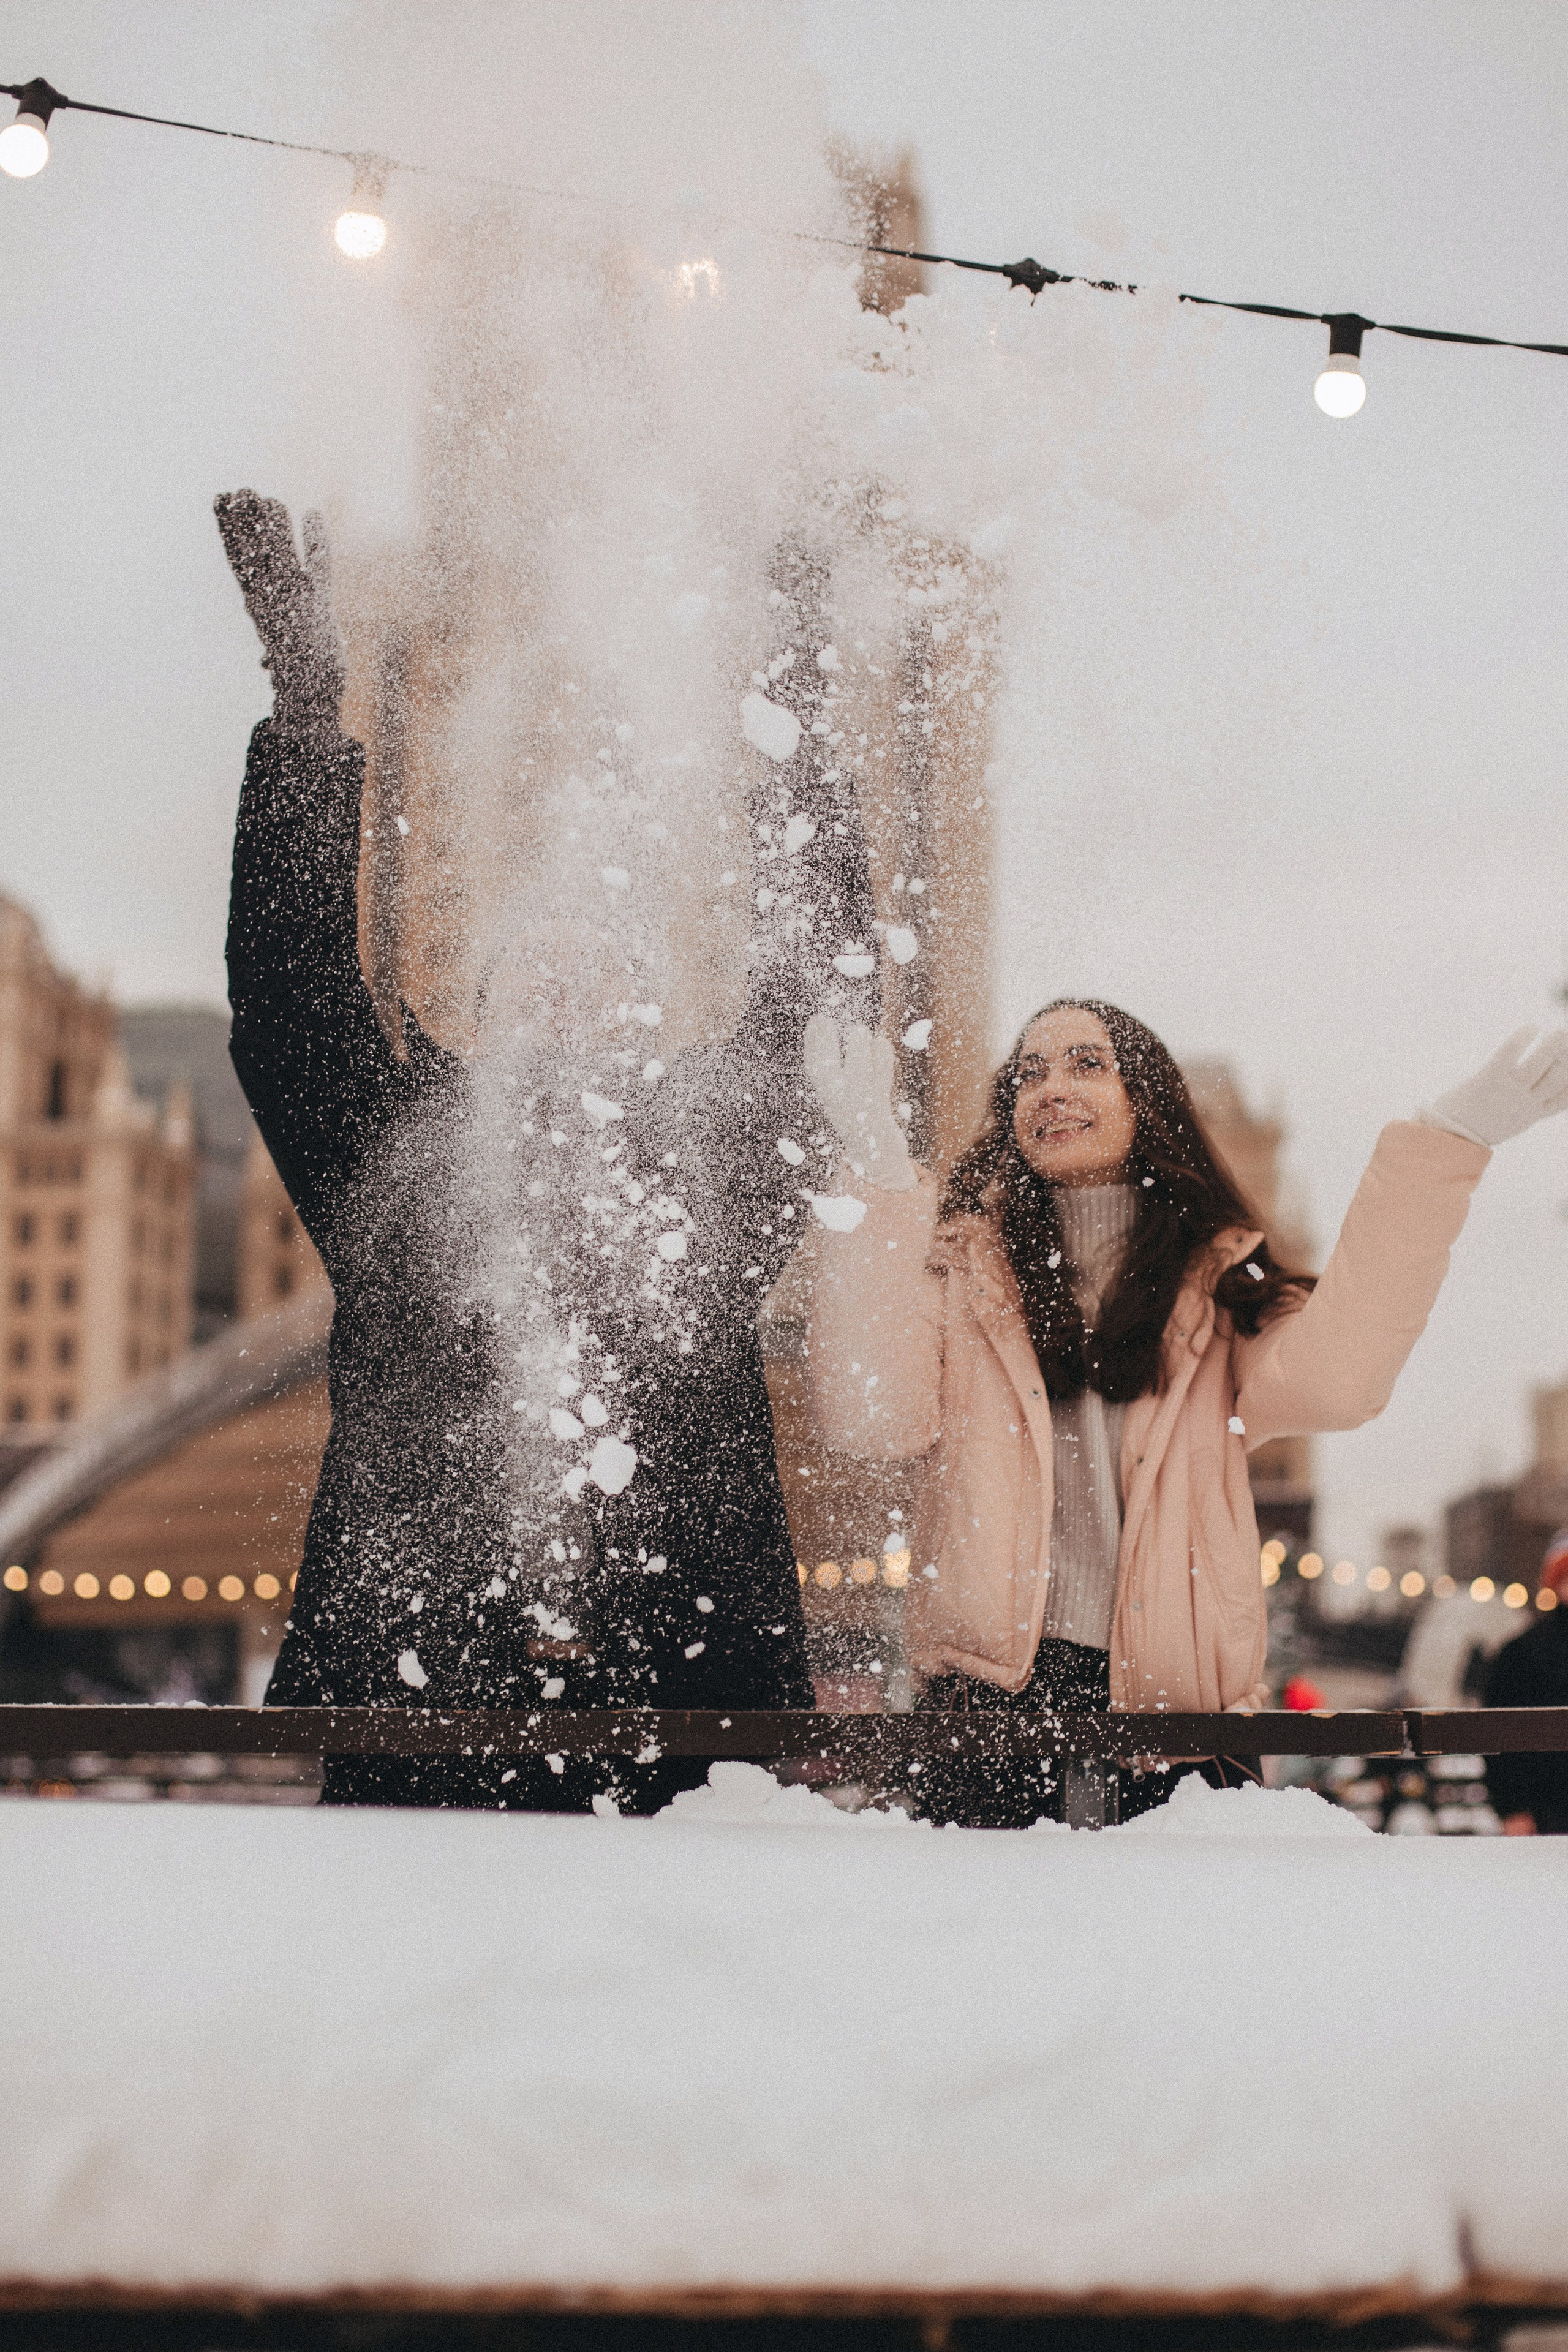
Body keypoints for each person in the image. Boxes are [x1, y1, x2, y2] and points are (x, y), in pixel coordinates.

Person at [216, 491, 874, 1809]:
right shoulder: (394, 1156)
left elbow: (817, 1003)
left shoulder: (711, 1164)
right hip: (419, 1708)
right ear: (479, 1014)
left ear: (651, 1027)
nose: (568, 998)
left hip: (681, 1716)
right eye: (536, 979)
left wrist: (792, 698)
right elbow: (290, 992)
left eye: (605, 982)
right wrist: (304, 720)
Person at [803, 1000, 1568, 1825]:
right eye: (1031, 1072)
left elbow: (1339, 1384)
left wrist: (1442, 1148)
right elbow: (868, 1417)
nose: (1053, 1087)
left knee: (1178, 1955)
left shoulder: (1225, 1293)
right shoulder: (957, 1274)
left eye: (1087, 1064)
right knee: (985, 1953)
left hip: (1185, 1729)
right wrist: (881, 1184)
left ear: (1149, 1104)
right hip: (981, 1717)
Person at [1483, 1530, 1568, 1835]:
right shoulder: (1522, 1652)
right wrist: (1513, 1807)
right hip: (1546, 1811)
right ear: (1555, 1584)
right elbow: (1497, 1732)